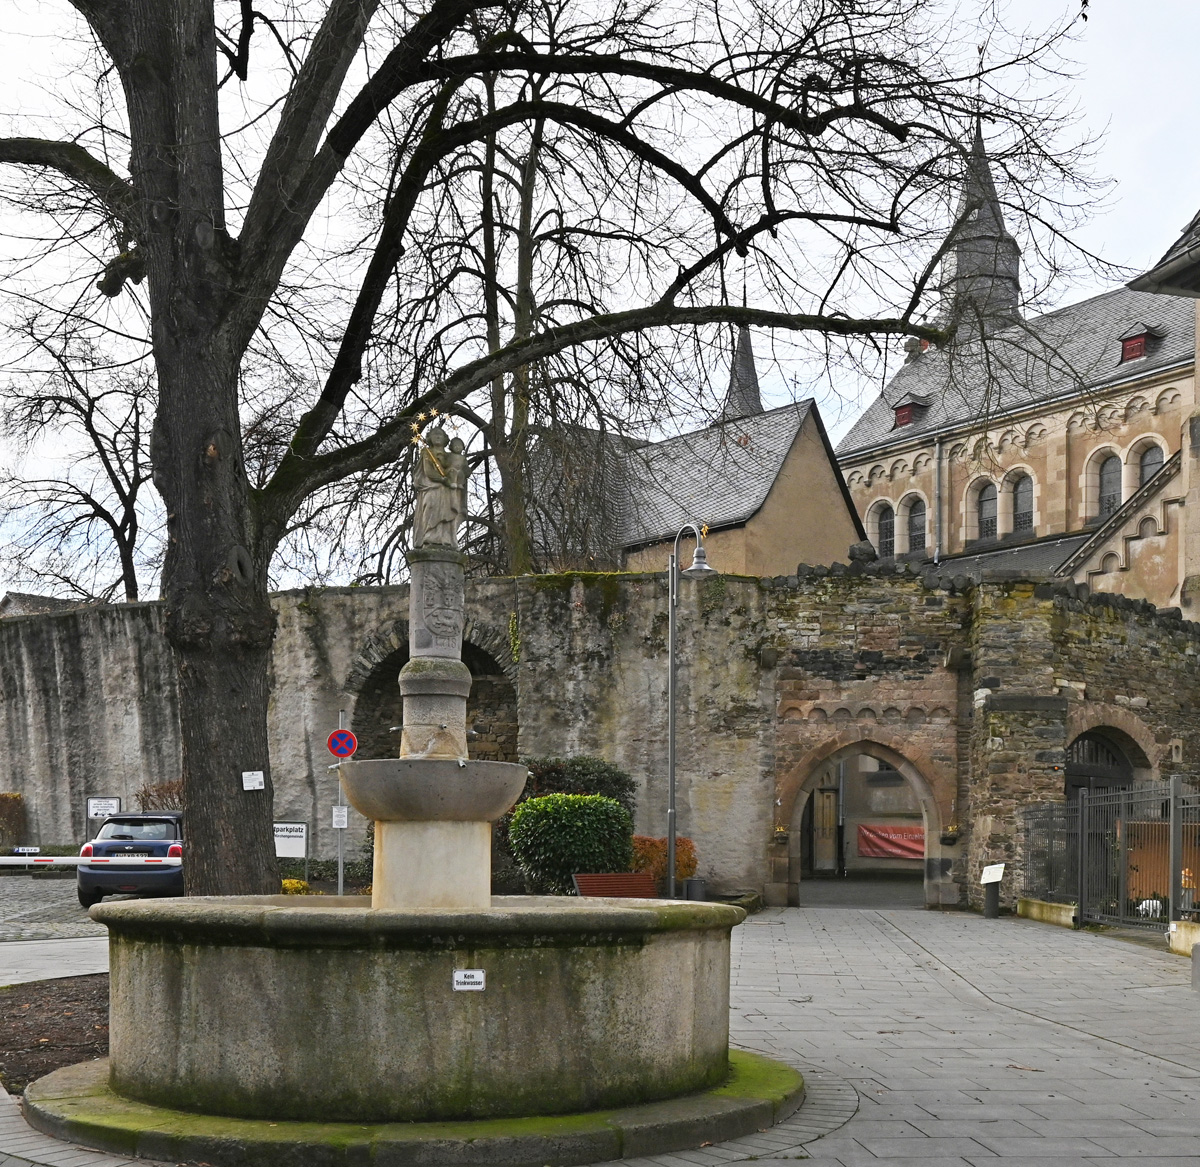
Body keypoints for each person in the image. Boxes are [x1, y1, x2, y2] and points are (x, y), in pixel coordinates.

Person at [412, 428, 457, 548]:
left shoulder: (449, 456)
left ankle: (445, 538)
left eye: (440, 434)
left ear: (445, 439)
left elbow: (456, 469)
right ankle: (429, 536)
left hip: (447, 490)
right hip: (431, 487)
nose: (437, 436)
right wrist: (442, 479)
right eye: (434, 434)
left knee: (446, 513)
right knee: (430, 507)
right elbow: (428, 471)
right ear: (429, 438)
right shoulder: (427, 452)